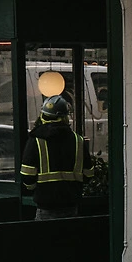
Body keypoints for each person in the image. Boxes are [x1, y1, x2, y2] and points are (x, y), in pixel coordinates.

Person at [19, 92, 84, 220]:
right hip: (71, 206)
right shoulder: (78, 140)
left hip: (45, 207)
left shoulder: (36, 140)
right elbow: (88, 173)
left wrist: (36, 189)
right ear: (65, 117)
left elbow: (27, 175)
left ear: (43, 115)